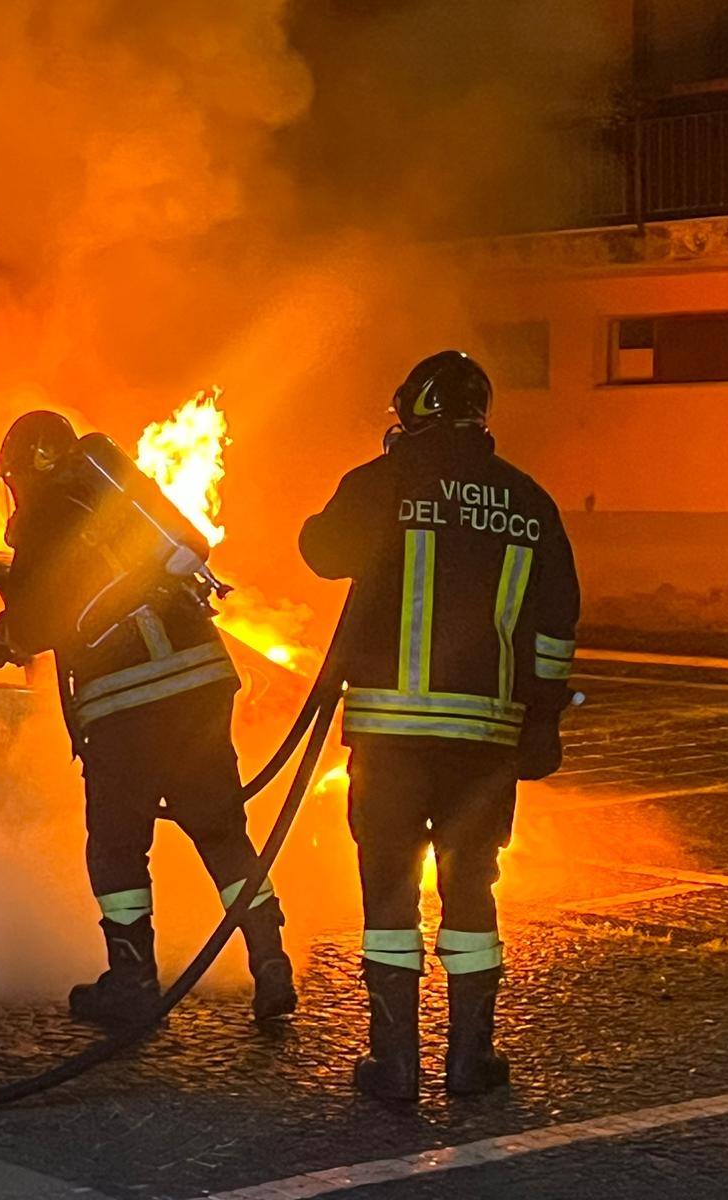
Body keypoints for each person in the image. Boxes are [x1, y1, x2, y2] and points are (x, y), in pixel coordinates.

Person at [0, 411, 297, 1027]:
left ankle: (133, 981)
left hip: (125, 705)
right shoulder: (118, 502)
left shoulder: (44, 520)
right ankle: (269, 958)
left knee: (117, 846)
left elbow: (37, 621)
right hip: (199, 682)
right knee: (220, 831)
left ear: (28, 469)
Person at [300, 350, 580, 1099]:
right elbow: (554, 628)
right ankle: (469, 1060)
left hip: (390, 739)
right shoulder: (529, 502)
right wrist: (543, 722)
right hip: (485, 743)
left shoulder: (386, 481)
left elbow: (320, 551)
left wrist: (378, 481)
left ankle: (392, 1066)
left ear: (414, 411)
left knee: (390, 889)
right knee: (471, 890)